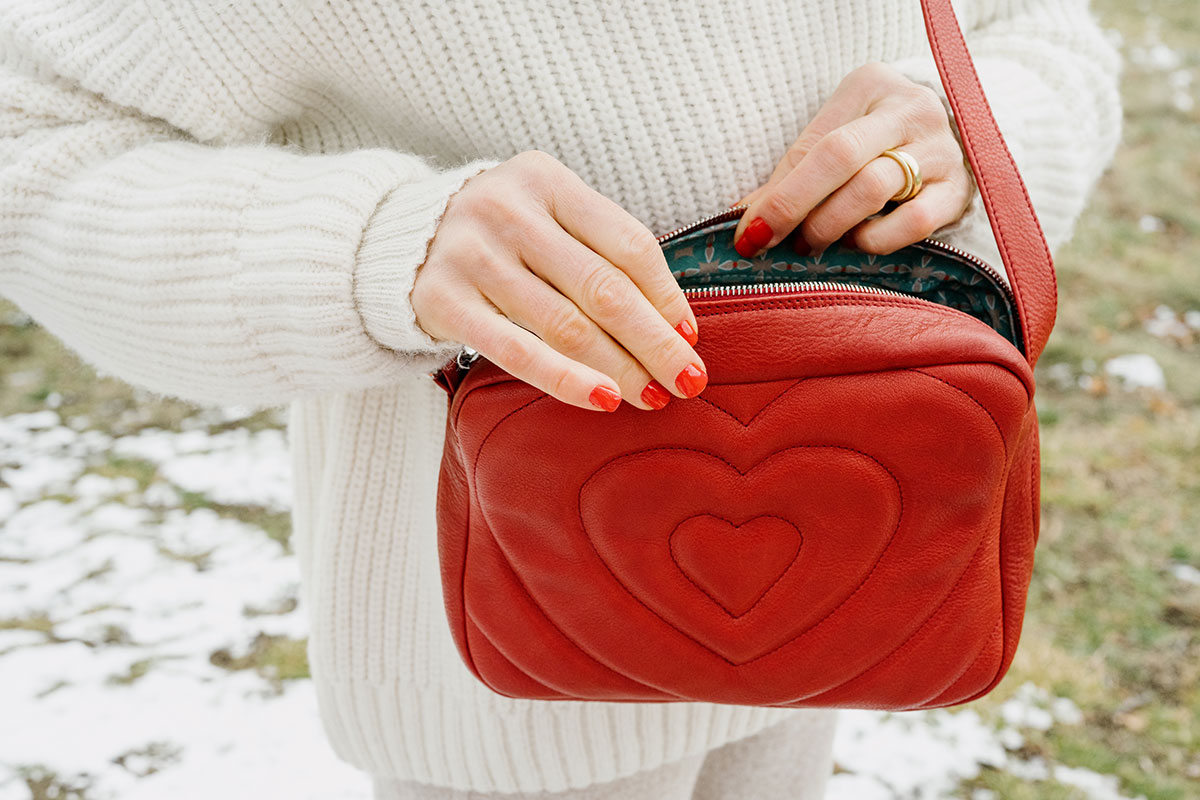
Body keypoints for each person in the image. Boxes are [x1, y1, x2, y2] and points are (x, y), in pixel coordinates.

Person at [0, 0, 1121, 797]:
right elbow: (30, 147)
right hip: (502, 691)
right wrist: (381, 245)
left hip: (848, 588)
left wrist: (975, 128)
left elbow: (1041, 34)